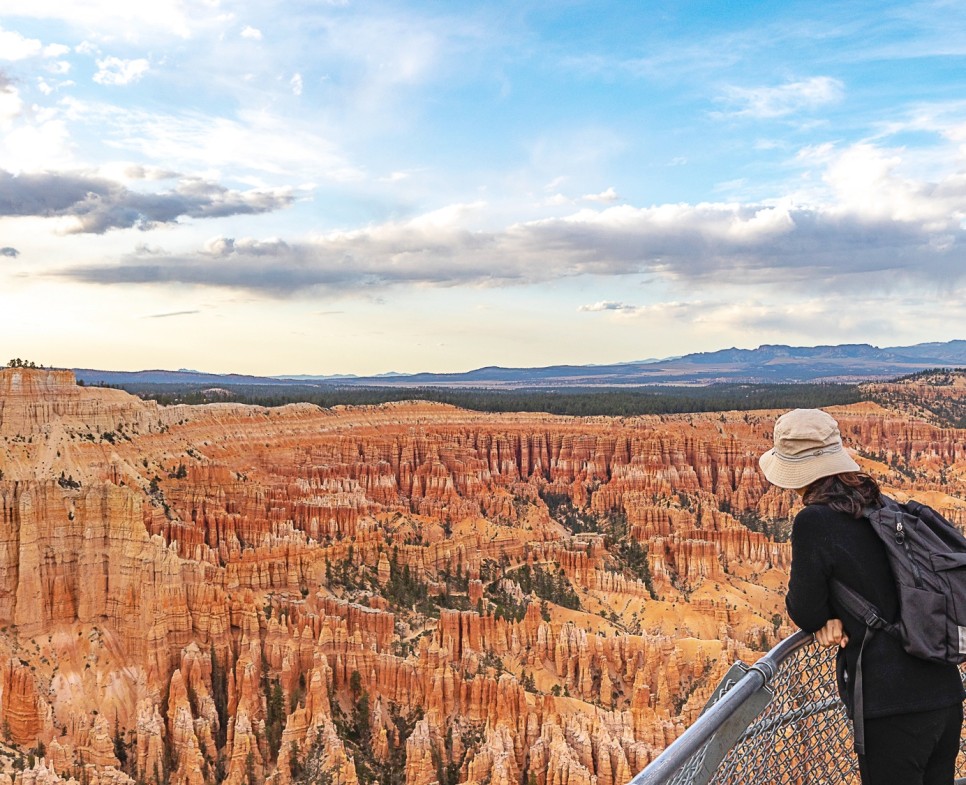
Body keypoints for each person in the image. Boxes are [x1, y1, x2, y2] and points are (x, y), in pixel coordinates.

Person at [759, 408, 964, 785]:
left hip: (892, 708)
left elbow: (804, 608)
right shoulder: (880, 506)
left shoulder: (814, 521)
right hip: (944, 694)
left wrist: (827, 619)